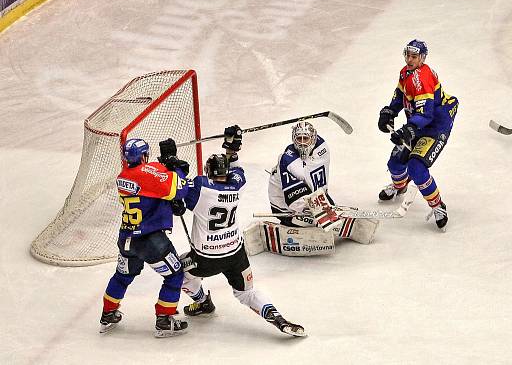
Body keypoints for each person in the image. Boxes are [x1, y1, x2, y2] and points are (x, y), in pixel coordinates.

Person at [176, 125, 306, 337]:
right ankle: (278, 319)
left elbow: (178, 189)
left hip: (205, 259)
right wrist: (232, 148)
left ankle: (202, 302)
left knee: (176, 270)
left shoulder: (201, 188)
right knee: (247, 294)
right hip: (236, 255)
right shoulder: (237, 185)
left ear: (208, 173)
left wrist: (172, 165)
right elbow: (236, 170)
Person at [99, 137, 192, 337]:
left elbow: (149, 187)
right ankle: (164, 320)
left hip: (126, 238)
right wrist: (176, 168)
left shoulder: (123, 176)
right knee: (175, 275)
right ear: (143, 155)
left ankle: (108, 314)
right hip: (149, 241)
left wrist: (165, 165)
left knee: (122, 276)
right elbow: (180, 189)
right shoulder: (147, 175)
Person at [244, 121, 378, 257]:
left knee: (328, 218)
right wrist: (319, 212)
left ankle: (332, 220)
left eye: (306, 138)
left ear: (313, 138)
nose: (302, 143)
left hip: (314, 195)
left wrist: (325, 206)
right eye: (299, 139)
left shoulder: (321, 148)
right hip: (285, 207)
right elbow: (295, 202)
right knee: (319, 220)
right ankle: (296, 224)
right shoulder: (288, 161)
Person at [377, 39, 459, 230]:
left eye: (414, 56)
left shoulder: (422, 79)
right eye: (408, 55)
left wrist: (408, 130)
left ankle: (438, 205)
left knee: (416, 167)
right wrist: (390, 111)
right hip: (418, 123)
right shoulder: (405, 72)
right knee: (395, 164)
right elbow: (400, 95)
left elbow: (427, 115)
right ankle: (400, 187)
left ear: (422, 58)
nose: (409, 59)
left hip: (435, 126)